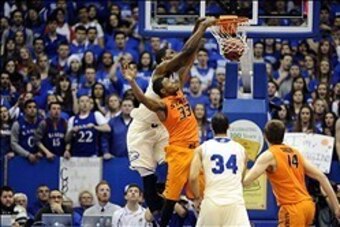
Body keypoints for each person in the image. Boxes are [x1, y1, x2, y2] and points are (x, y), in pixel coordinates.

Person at [124, 17, 216, 227]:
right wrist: (201, 28)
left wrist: (197, 28)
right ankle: (159, 212)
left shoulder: (175, 85)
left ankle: (172, 205)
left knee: (171, 173)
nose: (174, 59)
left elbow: (188, 55)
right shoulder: (159, 76)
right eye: (169, 57)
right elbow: (185, 55)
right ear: (162, 63)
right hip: (142, 132)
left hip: (166, 131)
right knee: (149, 183)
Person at [243, 120, 340, 226]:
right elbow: (321, 177)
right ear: (283, 135)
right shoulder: (295, 152)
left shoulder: (269, 155)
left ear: (265, 135)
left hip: (292, 208)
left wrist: (243, 163)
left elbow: (246, 181)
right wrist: (336, 207)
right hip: (308, 206)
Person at [189, 113, 250, 226]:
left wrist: (197, 197)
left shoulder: (202, 148)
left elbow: (193, 177)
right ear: (228, 127)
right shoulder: (241, 150)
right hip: (234, 201)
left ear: (211, 127)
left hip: (212, 200)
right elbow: (241, 179)